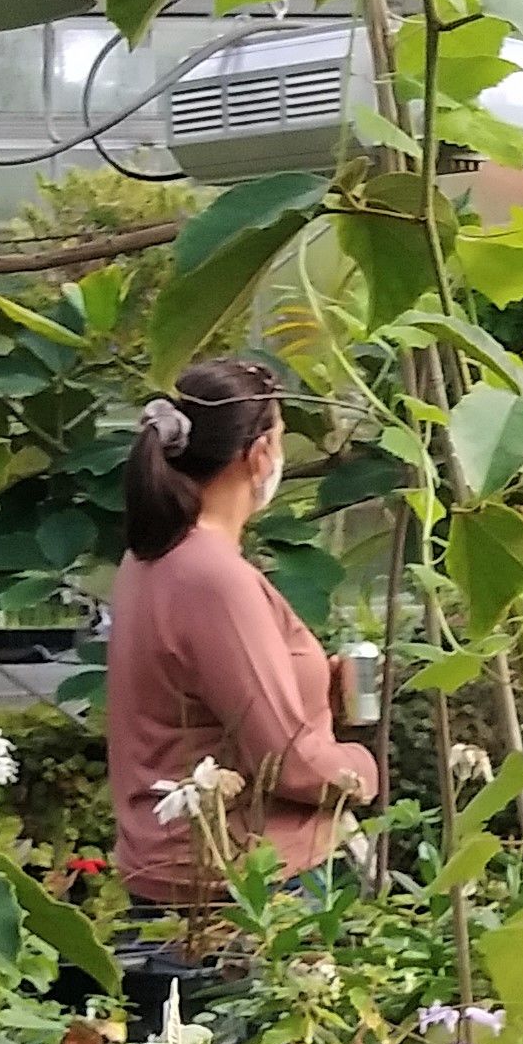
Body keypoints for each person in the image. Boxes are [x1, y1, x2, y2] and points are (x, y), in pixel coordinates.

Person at [107, 356, 379, 907]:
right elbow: (291, 764)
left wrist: (316, 686)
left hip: (185, 875)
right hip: (245, 886)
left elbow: (211, 698)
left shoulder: (153, 557)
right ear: (259, 456)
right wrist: (364, 770)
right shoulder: (215, 579)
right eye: (279, 440)